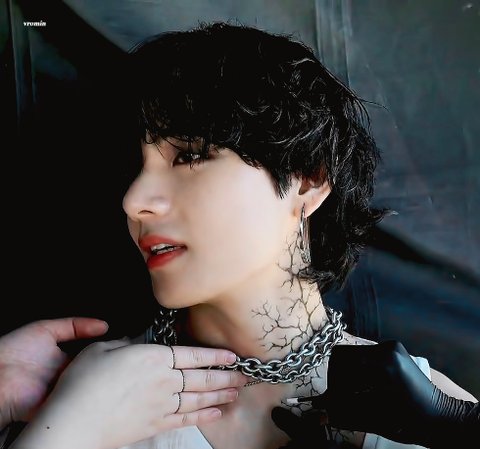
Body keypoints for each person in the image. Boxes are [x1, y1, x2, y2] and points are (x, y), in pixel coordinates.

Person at [8, 21, 477, 449]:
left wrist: (456, 429)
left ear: (308, 178)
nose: (134, 201)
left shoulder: (430, 412)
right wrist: (67, 430)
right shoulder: (84, 398)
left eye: (190, 155)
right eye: (138, 166)